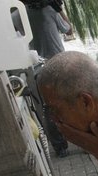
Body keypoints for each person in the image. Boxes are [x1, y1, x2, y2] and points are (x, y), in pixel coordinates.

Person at [25, 0, 73, 157]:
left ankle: (60, 148)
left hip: (37, 66)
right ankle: (85, 140)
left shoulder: (21, 13)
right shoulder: (50, 10)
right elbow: (68, 29)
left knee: (48, 107)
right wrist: (61, 10)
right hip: (58, 62)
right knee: (72, 100)